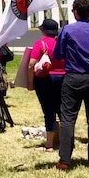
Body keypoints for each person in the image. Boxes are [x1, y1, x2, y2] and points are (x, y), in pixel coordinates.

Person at [54, 0, 89, 170]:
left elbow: (58, 55)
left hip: (74, 77)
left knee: (68, 118)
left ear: (76, 12)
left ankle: (65, 160)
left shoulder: (68, 30)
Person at [28, 18, 65, 151]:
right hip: (63, 78)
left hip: (46, 78)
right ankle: (65, 140)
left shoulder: (40, 44)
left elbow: (32, 63)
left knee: (49, 111)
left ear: (43, 31)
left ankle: (49, 144)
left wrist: (30, 82)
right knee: (62, 111)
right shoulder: (61, 44)